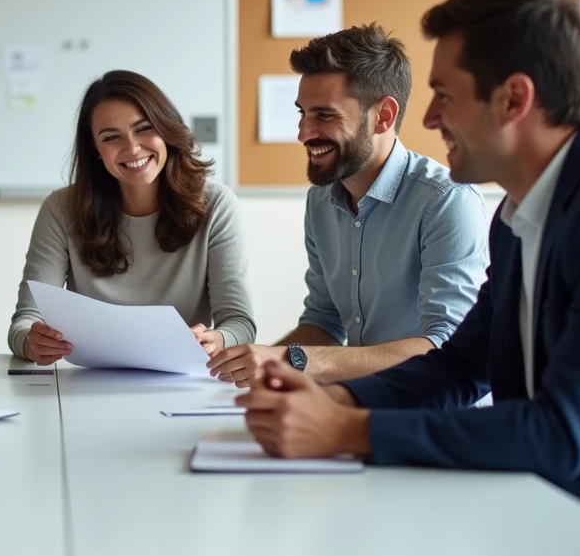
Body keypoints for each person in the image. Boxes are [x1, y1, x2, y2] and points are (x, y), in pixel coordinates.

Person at [236, 0, 580, 531]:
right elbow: (459, 368)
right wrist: (336, 401)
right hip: (546, 509)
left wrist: (346, 430)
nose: (431, 117)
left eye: (445, 93)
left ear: (513, 99)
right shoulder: (518, 215)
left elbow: (561, 433)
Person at [209, 24, 488, 386]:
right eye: (302, 114)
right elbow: (324, 322)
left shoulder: (447, 200)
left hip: (436, 418)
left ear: (384, 116)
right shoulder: (321, 201)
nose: (303, 133)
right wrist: (254, 370)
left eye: (324, 115)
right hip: (361, 405)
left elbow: (444, 346)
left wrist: (291, 359)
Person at [9, 70, 255, 364]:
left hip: (183, 381)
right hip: (90, 384)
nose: (133, 148)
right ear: (96, 151)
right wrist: (31, 342)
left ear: (166, 130)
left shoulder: (217, 205)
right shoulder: (62, 209)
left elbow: (240, 324)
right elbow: (25, 321)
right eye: (111, 137)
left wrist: (217, 340)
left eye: (143, 128)